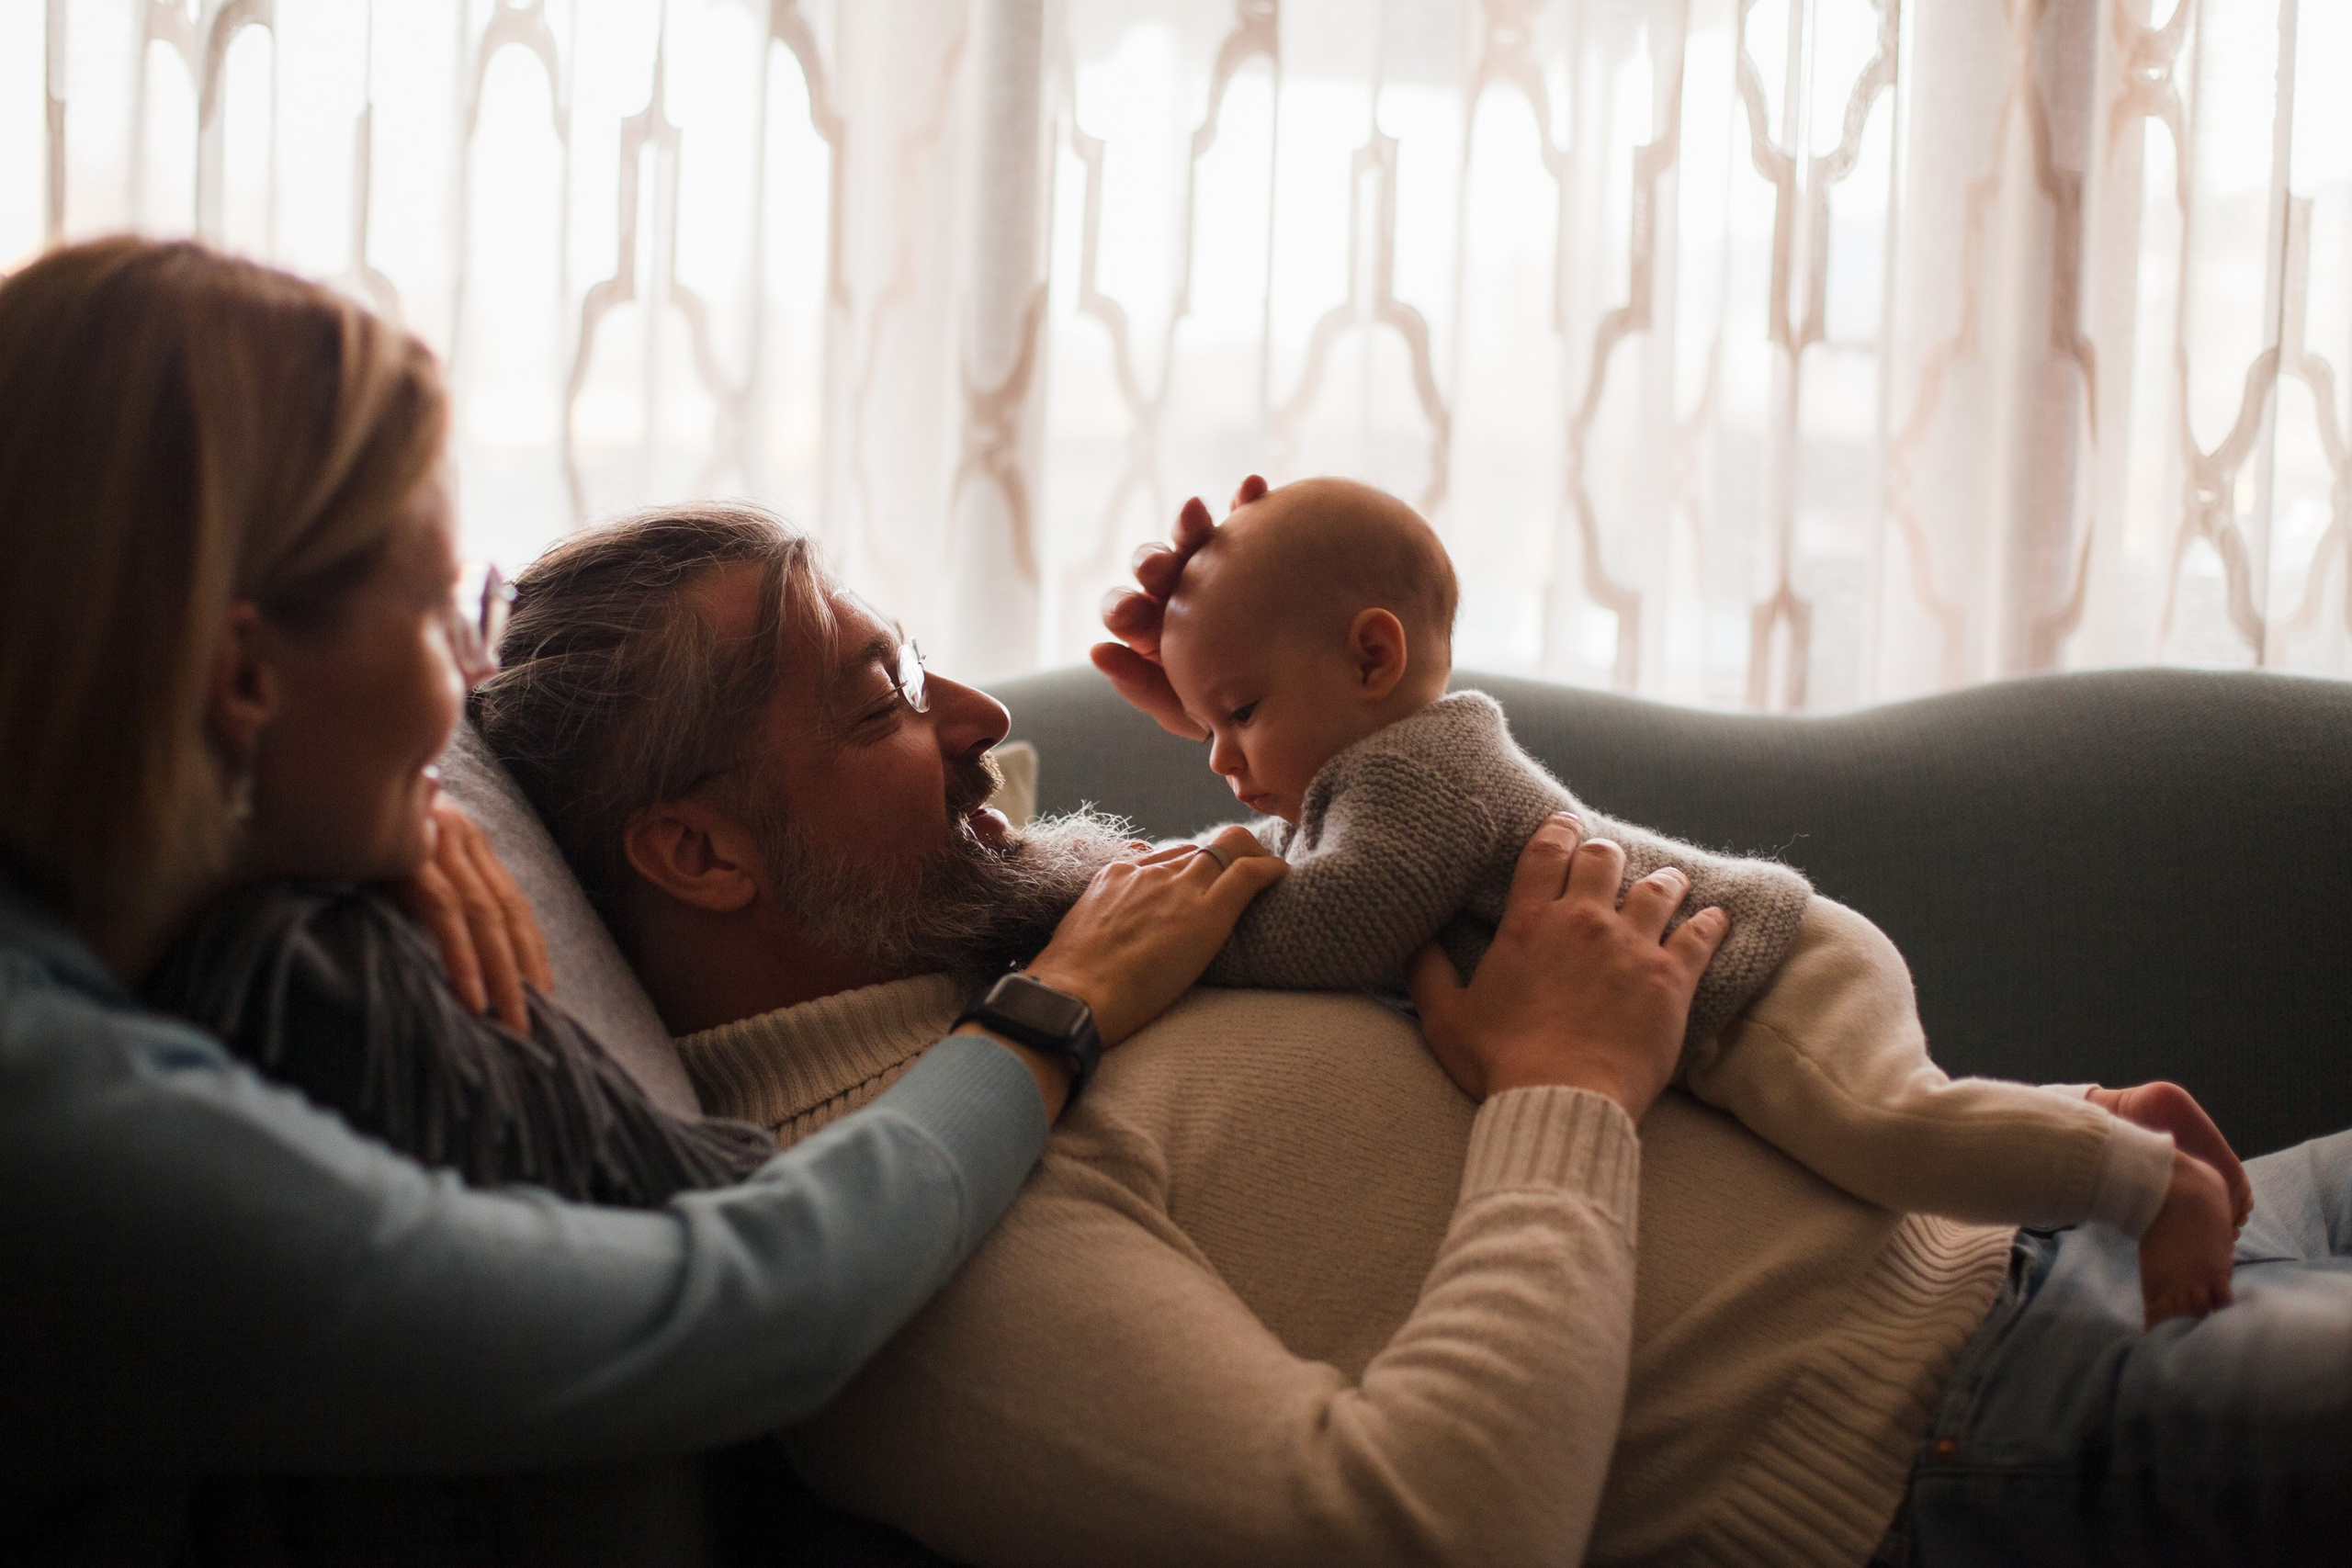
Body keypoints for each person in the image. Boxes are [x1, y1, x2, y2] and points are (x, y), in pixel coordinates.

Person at [481, 500, 2352, 1566]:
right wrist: (1563, 1093)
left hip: (2124, 1217)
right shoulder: (902, 1241)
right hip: (2005, 1435)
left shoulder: (1058, 974)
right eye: (876, 693)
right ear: (698, 849)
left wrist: (1260, 685)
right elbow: (1416, 1534)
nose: (974, 708)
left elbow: (1410, 849)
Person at [0, 238, 1288, 1555]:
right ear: (244, 678)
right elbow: (728, 1312)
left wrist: (298, 815)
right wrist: (1050, 1011)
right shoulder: (69, 1144)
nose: (464, 700)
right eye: (447, 610)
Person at [1115, 473, 2242, 1327]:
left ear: (1372, 658)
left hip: (1751, 972)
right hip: (1740, 963)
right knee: (1893, 1123)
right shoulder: (1370, 775)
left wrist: (1173, 933)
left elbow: (1331, 928)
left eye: (1239, 713)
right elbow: (1298, 863)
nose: (1217, 759)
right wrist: (1230, 789)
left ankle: (2156, 1187)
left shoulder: (1421, 771)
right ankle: (2107, 1113)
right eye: (1206, 725)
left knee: (1886, 1138)